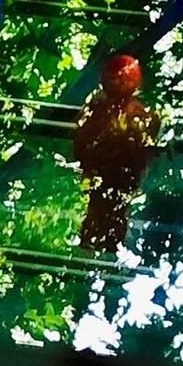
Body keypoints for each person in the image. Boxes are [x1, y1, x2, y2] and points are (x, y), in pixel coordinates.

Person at [71, 53, 159, 252]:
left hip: (109, 176)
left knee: (103, 206)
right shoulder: (143, 116)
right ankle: (102, 244)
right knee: (107, 207)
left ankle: (96, 244)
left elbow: (79, 146)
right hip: (116, 177)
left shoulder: (93, 111)